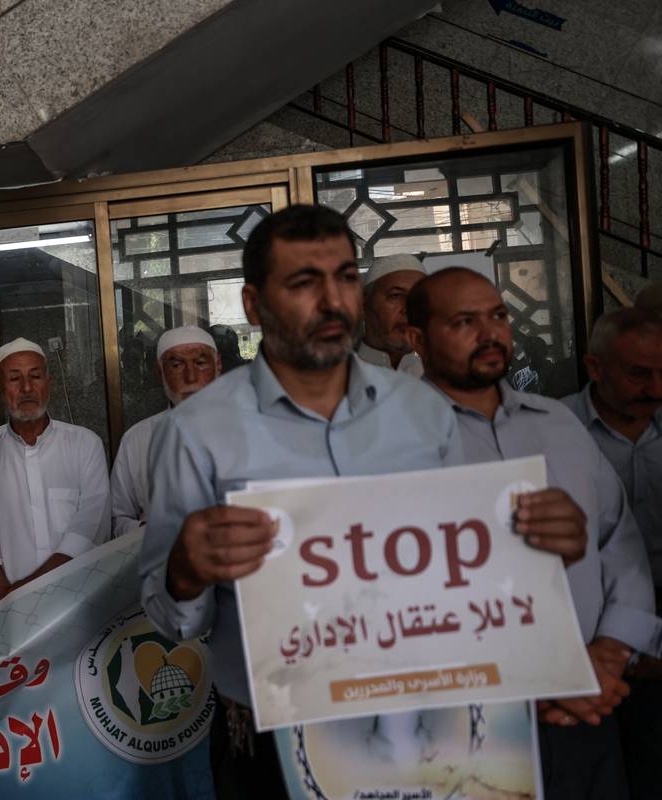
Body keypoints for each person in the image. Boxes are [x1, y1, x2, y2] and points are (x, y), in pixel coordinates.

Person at [140, 206, 469, 796]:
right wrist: (185, 570)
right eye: (302, 283)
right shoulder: (196, 432)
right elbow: (173, 620)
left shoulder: (422, 412)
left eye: (345, 277)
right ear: (252, 305)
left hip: (416, 717)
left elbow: (467, 566)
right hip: (272, 736)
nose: (333, 301)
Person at [407, 268, 660, 800]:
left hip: (588, 703)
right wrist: (539, 681)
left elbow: (620, 544)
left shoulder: (557, 424)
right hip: (469, 724)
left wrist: (607, 656)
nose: (490, 332)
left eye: (498, 315)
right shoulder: (389, 442)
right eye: (464, 321)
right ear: (417, 340)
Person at [560, 308, 662, 798]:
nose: (656, 387)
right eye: (640, 374)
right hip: (587, 635)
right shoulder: (554, 431)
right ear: (595, 368)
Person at [0, 338, 110, 610]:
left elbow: (92, 525)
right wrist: (5, 596)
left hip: (78, 604)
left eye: (35, 376)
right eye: (14, 379)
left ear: (49, 383)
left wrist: (27, 590)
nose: (26, 388)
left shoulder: (85, 444)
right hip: (4, 613)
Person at [110, 326, 220, 538]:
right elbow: (118, 518)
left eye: (200, 363)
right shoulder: (137, 439)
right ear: (160, 373)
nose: (190, 377)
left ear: (218, 366)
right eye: (177, 365)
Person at [356, 253, 426, 377]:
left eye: (419, 297)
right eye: (396, 296)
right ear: (363, 306)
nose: (410, 308)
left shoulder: (441, 383)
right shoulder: (336, 380)